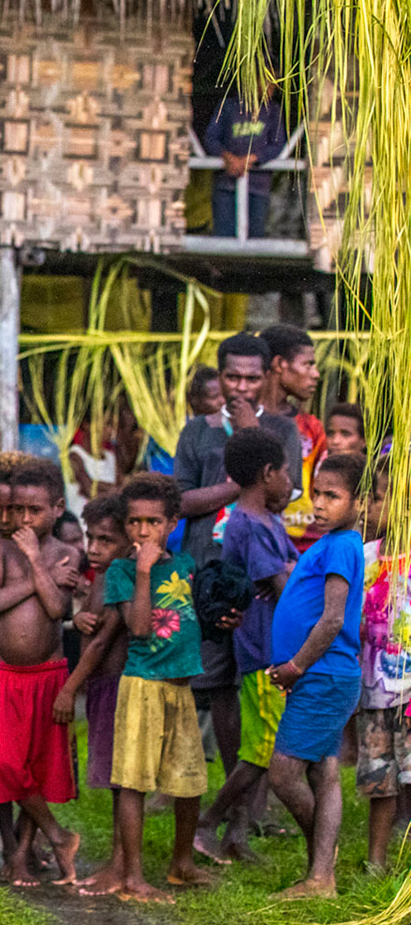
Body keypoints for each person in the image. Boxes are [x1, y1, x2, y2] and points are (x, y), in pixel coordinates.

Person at [172, 333, 301, 785]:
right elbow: (181, 501)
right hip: (209, 575)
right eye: (232, 376)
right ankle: (232, 785)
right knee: (216, 684)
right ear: (220, 375)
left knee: (261, 680)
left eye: (251, 377)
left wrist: (251, 434)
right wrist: (236, 486)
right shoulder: (197, 429)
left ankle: (260, 793)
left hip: (261, 581)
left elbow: (282, 499)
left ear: (267, 377)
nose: (241, 387)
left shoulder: (282, 431)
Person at [77, 473, 211, 903]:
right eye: (134, 522)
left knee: (188, 783)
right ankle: (133, 876)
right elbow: (137, 628)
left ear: (172, 523)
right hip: (141, 686)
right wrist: (142, 570)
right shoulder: (120, 571)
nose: (142, 531)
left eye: (153, 522)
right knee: (133, 783)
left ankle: (182, 863)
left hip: (180, 686)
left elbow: (191, 620)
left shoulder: (185, 565)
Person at [265, 452, 367, 898]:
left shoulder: (343, 545)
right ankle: (321, 873)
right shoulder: (328, 544)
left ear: (359, 501)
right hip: (321, 675)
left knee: (284, 774)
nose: (320, 504)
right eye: (317, 494)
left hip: (322, 675)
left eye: (333, 496)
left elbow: (331, 620)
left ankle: (323, 863)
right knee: (323, 772)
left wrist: (294, 666)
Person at [194, 428, 297, 866]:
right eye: (287, 470)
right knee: (261, 752)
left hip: (272, 644)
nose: (292, 479)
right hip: (264, 651)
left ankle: (236, 835)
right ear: (268, 473)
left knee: (259, 746)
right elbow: (283, 581)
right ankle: (206, 823)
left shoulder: (267, 520)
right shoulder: (246, 525)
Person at [0, 461, 83, 886]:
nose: (23, 520)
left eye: (34, 511)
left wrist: (37, 562)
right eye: (17, 510)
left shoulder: (67, 554)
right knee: (6, 766)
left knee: (36, 769)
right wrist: (32, 570)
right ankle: (59, 836)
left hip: (49, 675)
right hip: (8, 675)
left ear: (57, 508)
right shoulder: (0, 550)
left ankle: (22, 855)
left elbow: (58, 610)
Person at [52, 494, 133, 808]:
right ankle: (121, 851)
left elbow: (101, 642)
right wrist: (80, 617)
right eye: (91, 538)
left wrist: (69, 689)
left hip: (116, 686)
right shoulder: (101, 575)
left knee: (122, 778)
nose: (94, 548)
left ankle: (123, 854)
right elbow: (94, 624)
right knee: (116, 778)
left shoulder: (118, 575)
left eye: (106, 540)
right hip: (103, 686)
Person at [358, 464, 410, 872]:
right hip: (376, 692)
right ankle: (376, 861)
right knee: (380, 780)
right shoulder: (366, 557)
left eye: (377, 497)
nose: (369, 505)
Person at [260, 325, 322, 543]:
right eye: (308, 364)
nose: (316, 374)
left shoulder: (312, 428)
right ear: (279, 364)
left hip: (305, 546)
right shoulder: (241, 420)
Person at [203, 84, 288, 239]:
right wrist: (227, 157)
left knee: (255, 240)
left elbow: (278, 145)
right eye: (266, 82)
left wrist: (251, 159)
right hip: (226, 185)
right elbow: (210, 138)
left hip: (258, 187)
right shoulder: (228, 106)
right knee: (224, 239)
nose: (270, 88)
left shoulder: (274, 111)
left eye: (273, 84)